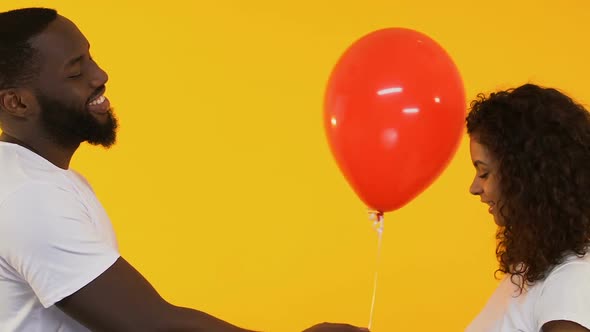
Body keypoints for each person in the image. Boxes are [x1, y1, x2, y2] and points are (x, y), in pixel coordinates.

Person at [0, 7, 368, 332]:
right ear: (17, 102)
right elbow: (148, 324)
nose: (100, 75)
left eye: (90, 57)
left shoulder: (37, 179)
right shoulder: (28, 196)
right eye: (76, 71)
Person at [465, 83, 590, 331]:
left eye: (484, 172)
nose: (474, 187)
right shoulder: (532, 271)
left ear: (524, 176)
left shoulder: (573, 279)